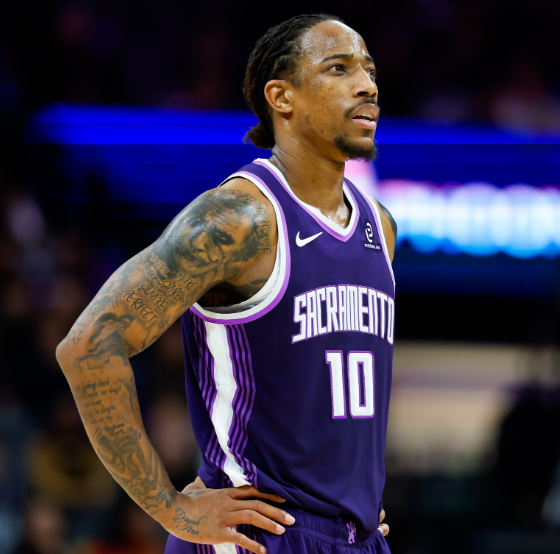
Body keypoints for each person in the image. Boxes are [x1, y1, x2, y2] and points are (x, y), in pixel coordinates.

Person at [56, 13, 396, 554]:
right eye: (339, 68)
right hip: (257, 535)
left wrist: (350, 512)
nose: (367, 85)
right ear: (281, 97)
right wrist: (171, 508)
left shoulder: (379, 225)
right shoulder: (239, 219)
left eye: (369, 70)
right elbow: (88, 345)